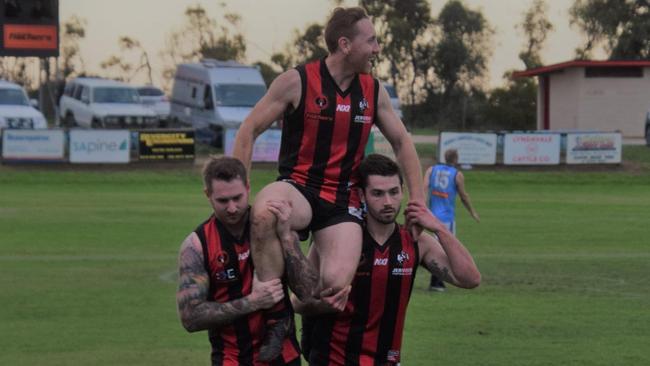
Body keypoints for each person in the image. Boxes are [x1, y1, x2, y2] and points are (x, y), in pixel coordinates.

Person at [233, 7, 425, 360]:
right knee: (263, 212)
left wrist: (419, 202)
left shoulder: (373, 90)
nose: (378, 48)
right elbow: (248, 129)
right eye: (372, 41)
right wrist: (242, 191)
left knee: (335, 288)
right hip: (299, 187)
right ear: (345, 44)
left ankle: (301, 319)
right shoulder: (297, 81)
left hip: (342, 200)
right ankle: (276, 322)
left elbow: (403, 142)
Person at [269, 154, 480, 365]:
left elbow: (470, 279)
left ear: (402, 191)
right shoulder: (338, 240)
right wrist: (323, 305)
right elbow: (299, 303)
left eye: (394, 192)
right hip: (333, 359)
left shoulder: (415, 242)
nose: (388, 202)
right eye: (377, 193)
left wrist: (438, 227)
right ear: (362, 195)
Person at [176, 156, 301, 366]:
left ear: (248, 188)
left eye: (237, 198)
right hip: (231, 359)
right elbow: (190, 318)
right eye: (223, 201)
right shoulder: (196, 246)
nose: (232, 208)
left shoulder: (274, 227)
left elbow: (306, 290)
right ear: (208, 195)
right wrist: (253, 302)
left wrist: (288, 238)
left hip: (284, 358)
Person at [423, 148, 480, 292]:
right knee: (444, 251)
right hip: (446, 219)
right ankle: (437, 283)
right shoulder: (457, 175)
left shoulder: (432, 170)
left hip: (431, 217)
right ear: (455, 159)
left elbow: (424, 187)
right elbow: (463, 196)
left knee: (434, 248)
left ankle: (435, 282)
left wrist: (423, 208)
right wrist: (472, 212)